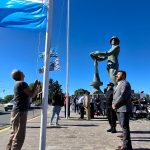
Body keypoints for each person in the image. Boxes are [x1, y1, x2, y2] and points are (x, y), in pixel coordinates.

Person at [6, 69, 39, 150]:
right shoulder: (22, 83)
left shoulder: (16, 84)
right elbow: (31, 94)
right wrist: (35, 86)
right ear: (20, 75)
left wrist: (35, 89)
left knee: (14, 133)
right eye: (21, 72)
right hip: (21, 111)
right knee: (19, 136)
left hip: (16, 111)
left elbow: (31, 94)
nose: (23, 73)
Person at [112, 70, 133, 150]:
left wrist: (115, 104)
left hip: (123, 108)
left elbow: (123, 96)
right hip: (119, 108)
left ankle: (126, 147)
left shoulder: (125, 83)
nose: (116, 75)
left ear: (123, 76)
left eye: (118, 74)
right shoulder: (118, 85)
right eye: (116, 74)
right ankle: (127, 146)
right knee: (123, 127)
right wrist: (113, 105)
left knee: (124, 127)